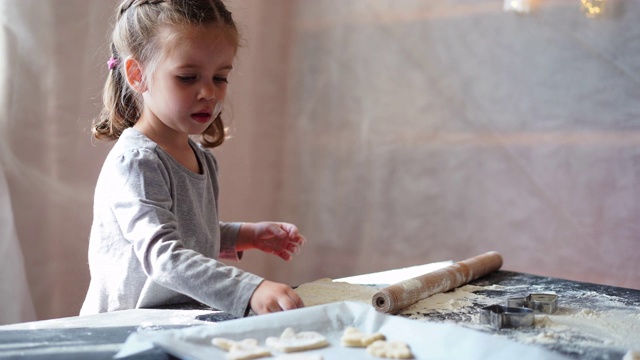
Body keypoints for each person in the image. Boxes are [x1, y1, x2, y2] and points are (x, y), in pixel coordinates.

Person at [80, 0, 306, 318]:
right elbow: (162, 255)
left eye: (220, 78)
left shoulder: (202, 158)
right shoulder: (136, 162)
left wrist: (245, 235)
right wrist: (248, 289)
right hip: (124, 328)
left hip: (178, 320)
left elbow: (190, 232)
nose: (208, 93)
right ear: (137, 74)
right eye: (188, 77)